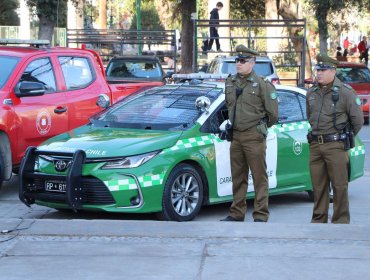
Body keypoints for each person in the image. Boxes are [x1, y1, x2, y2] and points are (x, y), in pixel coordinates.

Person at [221, 45, 278, 222]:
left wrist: (259, 128)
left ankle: (260, 214)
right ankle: (237, 212)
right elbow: (228, 107)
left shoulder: (262, 84)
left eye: (243, 61)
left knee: (259, 177)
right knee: (238, 176)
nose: (238, 64)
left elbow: (273, 114)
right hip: (236, 136)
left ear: (252, 63)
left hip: (254, 136)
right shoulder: (230, 82)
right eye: (237, 60)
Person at [306, 53, 364, 224]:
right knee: (318, 186)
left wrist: (343, 139)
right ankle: (319, 220)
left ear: (333, 71)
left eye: (323, 70)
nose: (319, 73)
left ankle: (340, 221)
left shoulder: (345, 92)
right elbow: (310, 117)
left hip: (336, 145)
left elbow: (358, 121)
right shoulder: (312, 93)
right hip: (316, 144)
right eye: (318, 69)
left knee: (339, 186)